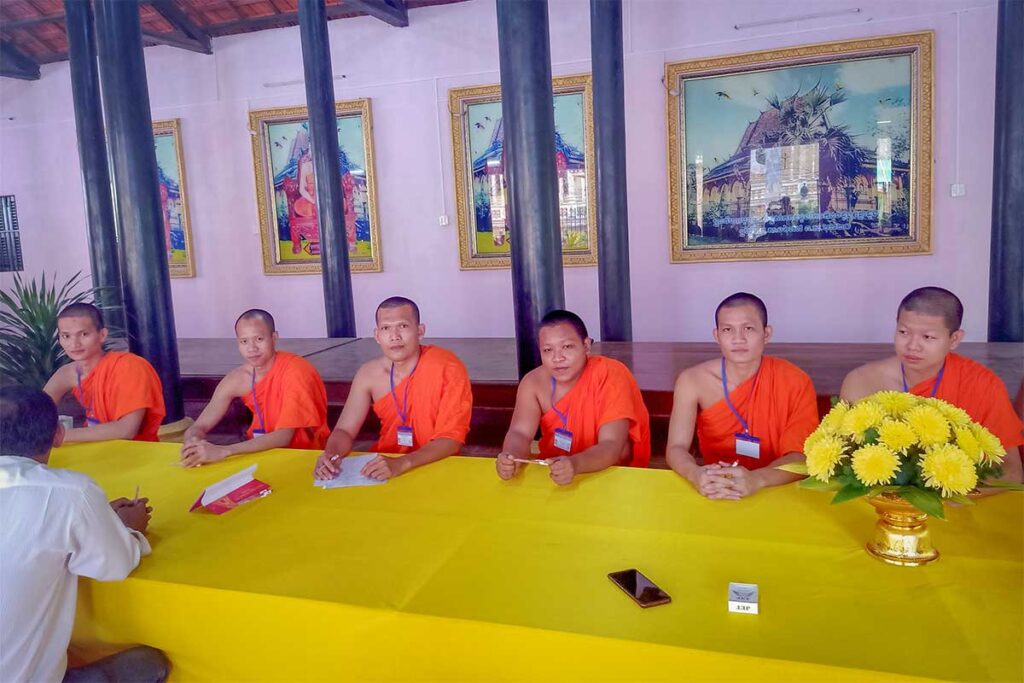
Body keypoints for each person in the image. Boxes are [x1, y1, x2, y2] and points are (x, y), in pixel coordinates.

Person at [0, 385, 168, 683]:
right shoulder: (70, 493)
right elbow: (114, 564)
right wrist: (126, 528)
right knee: (149, 663)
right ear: (59, 434)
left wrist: (97, 518)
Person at [840, 286, 1023, 483]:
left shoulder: (982, 385)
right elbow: (843, 463)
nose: (912, 345)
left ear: (954, 339)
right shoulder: (861, 381)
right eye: (903, 332)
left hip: (955, 503)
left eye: (927, 337)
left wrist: (942, 491)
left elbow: (1011, 471)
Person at [666, 293, 819, 499]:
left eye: (748, 328)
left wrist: (757, 479)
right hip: (715, 485)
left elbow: (801, 457)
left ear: (766, 334)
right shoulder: (692, 381)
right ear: (716, 335)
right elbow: (676, 447)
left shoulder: (795, 381)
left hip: (776, 487)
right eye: (728, 330)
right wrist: (696, 474)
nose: (738, 339)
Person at [314, 297, 472, 481]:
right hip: (385, 467)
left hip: (437, 465)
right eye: (386, 328)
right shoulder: (369, 374)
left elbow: (451, 439)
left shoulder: (447, 368)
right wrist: (331, 456)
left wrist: (402, 463)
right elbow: (344, 430)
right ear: (377, 336)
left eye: (403, 326)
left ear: (420, 331)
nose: (394, 336)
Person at [495, 309, 650, 486]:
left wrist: (575, 464)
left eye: (567, 347)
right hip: (556, 472)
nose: (557, 358)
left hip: (611, 475)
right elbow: (520, 433)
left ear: (586, 346)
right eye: (547, 350)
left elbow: (612, 445)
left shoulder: (610, 376)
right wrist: (510, 457)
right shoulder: (533, 383)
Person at [181, 309, 330, 467]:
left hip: (303, 457)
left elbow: (284, 436)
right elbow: (199, 426)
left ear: (274, 338)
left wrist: (225, 450)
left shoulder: (296, 371)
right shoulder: (238, 378)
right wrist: (193, 441)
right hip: (259, 456)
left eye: (259, 339)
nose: (252, 348)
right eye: (244, 341)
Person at [43, 303, 165, 443]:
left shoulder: (129, 367)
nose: (74, 344)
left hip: (134, 451)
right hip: (91, 448)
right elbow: (34, 412)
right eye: (66, 336)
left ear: (102, 335)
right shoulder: (66, 373)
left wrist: (61, 436)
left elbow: (126, 430)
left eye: (83, 334)